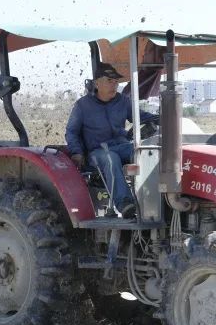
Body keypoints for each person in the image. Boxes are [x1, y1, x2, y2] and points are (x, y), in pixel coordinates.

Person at [65, 62, 158, 218]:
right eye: (109, 81)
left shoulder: (122, 101)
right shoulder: (83, 105)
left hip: (121, 146)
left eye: (116, 82)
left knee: (145, 152)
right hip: (97, 152)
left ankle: (154, 199)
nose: (114, 85)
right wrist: (77, 152)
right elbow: (71, 132)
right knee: (110, 158)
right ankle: (125, 204)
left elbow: (142, 117)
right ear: (97, 83)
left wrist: (164, 117)